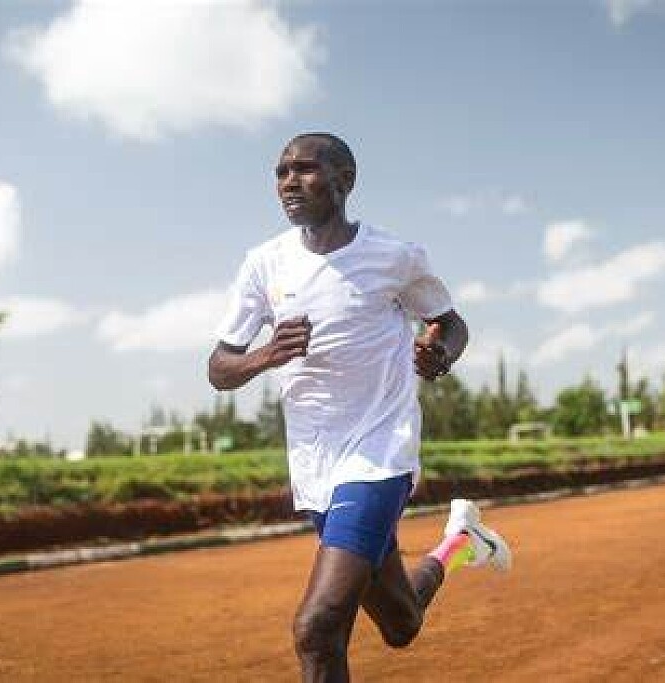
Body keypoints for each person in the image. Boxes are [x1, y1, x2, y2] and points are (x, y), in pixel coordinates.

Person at [208, 132, 512, 682]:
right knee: (401, 623)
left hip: (379, 451)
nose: (289, 182)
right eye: (281, 172)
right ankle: (459, 543)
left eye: (305, 169)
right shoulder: (263, 264)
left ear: (344, 180)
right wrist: (266, 355)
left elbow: (451, 323)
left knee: (318, 626)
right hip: (314, 463)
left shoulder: (394, 257)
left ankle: (456, 541)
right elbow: (219, 367)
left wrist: (441, 353)